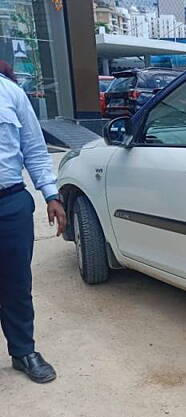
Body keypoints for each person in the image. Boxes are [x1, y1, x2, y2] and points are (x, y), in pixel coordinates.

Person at [0, 60, 66, 383]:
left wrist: (51, 195)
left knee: (16, 283)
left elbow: (36, 150)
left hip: (9, 203)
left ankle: (23, 351)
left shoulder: (11, 93)